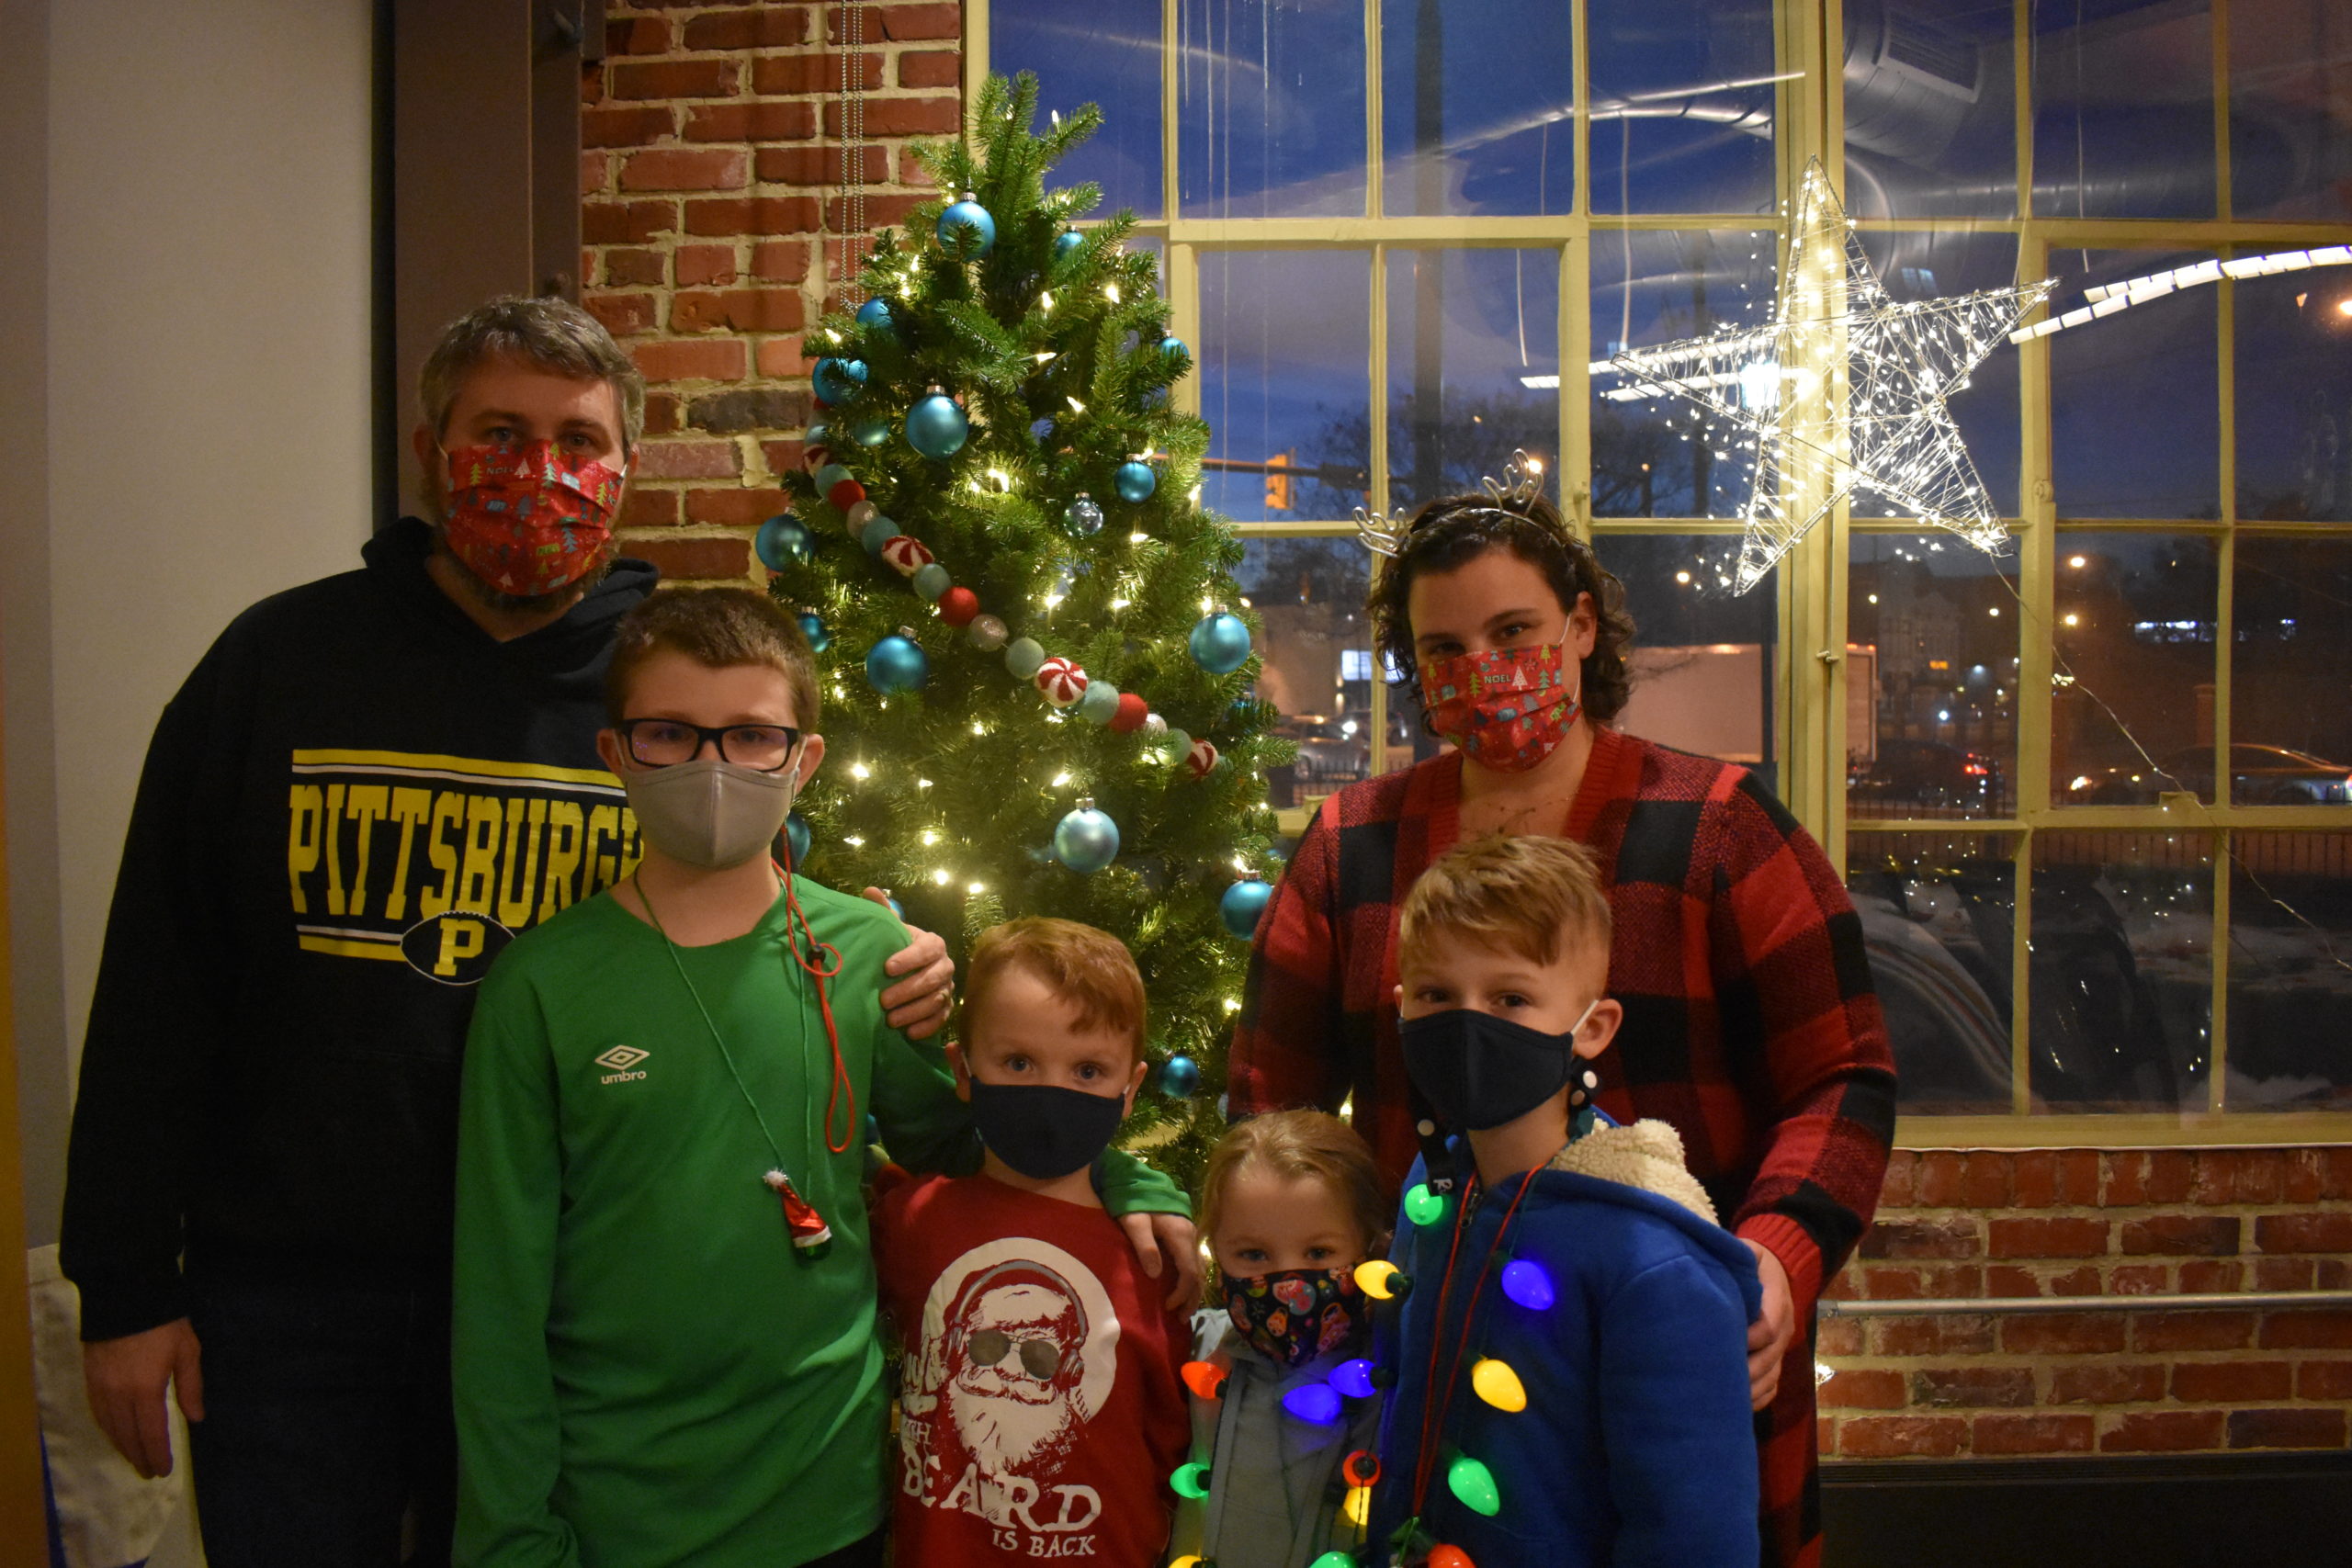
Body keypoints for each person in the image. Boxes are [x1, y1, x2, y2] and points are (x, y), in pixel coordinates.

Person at [58, 296, 960, 1568]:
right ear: (430, 448)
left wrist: (905, 958)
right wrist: (128, 1281)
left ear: (627, 469)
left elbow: (747, 890)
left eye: (580, 438)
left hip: (582, 1307)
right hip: (299, 1294)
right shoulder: (278, 665)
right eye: (500, 429)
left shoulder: (658, 683)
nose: (543, 471)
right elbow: (159, 982)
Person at [1227, 479, 1895, 1568]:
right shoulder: (1353, 843)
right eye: (1441, 649)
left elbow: (1844, 1078)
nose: (1479, 669)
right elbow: (1274, 1101)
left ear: (1581, 625)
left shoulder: (1719, 829)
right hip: (1432, 1360)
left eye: (1513, 631)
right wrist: (1306, 1279)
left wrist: (1774, 1258)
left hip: (1670, 1356)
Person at [451, 595, 1193, 1568]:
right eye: (669, 733)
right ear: (615, 749)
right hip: (615, 1515)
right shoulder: (541, 986)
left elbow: (984, 1143)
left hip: (831, 1506)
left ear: (803, 759)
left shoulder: (872, 956)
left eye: (752, 736)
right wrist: (511, 1537)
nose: (710, 766)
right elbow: (498, 1296)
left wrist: (1129, 1181)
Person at [1372, 833, 1760, 1567]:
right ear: (1401, 1008)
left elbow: (1694, 1531)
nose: (1467, 1022)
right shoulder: (1431, 1193)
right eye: (1435, 995)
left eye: (1510, 997)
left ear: (1593, 1028)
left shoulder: (1653, 1260)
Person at [873, 918, 1193, 1568]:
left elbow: (1177, 1441)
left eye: (1087, 1069)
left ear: (1129, 1089)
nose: (1052, 1094)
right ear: (963, 1069)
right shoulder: (912, 1220)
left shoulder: (1153, 1256)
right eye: (1018, 1062)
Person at [1168, 1110, 1390, 1568]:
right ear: (1217, 1247)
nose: (1288, 1285)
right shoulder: (1199, 1352)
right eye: (1253, 1254)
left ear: (1367, 1246)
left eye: (1318, 1253)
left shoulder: (1389, 1376)